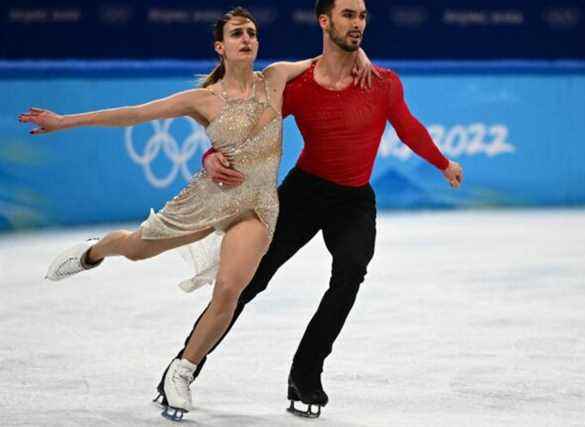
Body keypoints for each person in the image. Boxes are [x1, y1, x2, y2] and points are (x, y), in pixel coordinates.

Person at [18, 6, 376, 422]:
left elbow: (332, 54)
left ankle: (182, 370)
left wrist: (363, 56)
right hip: (207, 200)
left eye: (252, 33)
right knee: (135, 248)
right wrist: (64, 121)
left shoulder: (276, 78)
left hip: (257, 206)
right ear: (220, 47)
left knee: (229, 291)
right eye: (238, 34)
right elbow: (135, 114)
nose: (247, 39)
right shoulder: (202, 99)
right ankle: (95, 252)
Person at [167, 0, 464, 419]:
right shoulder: (298, 85)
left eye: (361, 15)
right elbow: (247, 130)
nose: (357, 23)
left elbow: (408, 126)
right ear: (324, 21)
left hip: (354, 200)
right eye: (347, 15)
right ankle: (184, 366)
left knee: (349, 275)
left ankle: (306, 373)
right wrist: (210, 156)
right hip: (304, 194)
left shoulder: (384, 82)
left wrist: (443, 163)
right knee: (250, 281)